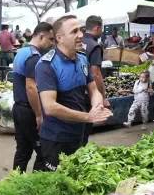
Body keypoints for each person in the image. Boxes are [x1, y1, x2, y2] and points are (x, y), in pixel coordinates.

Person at [35, 15, 111, 170]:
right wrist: (88, 117)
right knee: (54, 185)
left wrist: (97, 105)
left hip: (79, 134)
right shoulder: (46, 65)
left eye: (81, 30)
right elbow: (50, 107)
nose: (81, 35)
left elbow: (93, 89)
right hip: (57, 138)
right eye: (74, 31)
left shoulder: (82, 59)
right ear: (59, 38)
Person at [11, 22, 54, 172]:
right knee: (43, 153)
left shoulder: (22, 51)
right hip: (28, 111)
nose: (51, 43)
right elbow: (31, 87)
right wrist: (38, 114)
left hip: (19, 108)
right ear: (41, 36)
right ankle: (36, 186)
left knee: (23, 150)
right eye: (50, 39)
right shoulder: (34, 56)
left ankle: (15, 185)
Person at [81, 16, 108, 140]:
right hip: (87, 94)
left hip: (74, 92)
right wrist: (102, 96)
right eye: (101, 28)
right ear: (97, 27)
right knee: (83, 133)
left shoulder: (78, 42)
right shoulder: (94, 46)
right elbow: (95, 73)